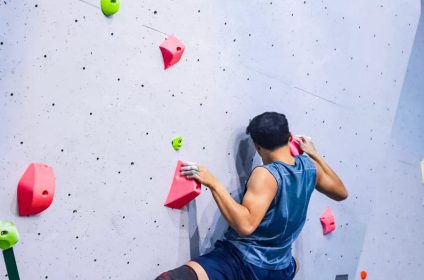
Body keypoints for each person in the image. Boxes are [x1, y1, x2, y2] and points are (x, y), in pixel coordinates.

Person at [155, 112, 348, 280]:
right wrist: (315, 154)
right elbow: (341, 192)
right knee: (294, 264)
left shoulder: (266, 174)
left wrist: (213, 184)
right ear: (289, 136)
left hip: (245, 263)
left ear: (257, 147)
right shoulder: (309, 167)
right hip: (280, 268)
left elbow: (245, 225)